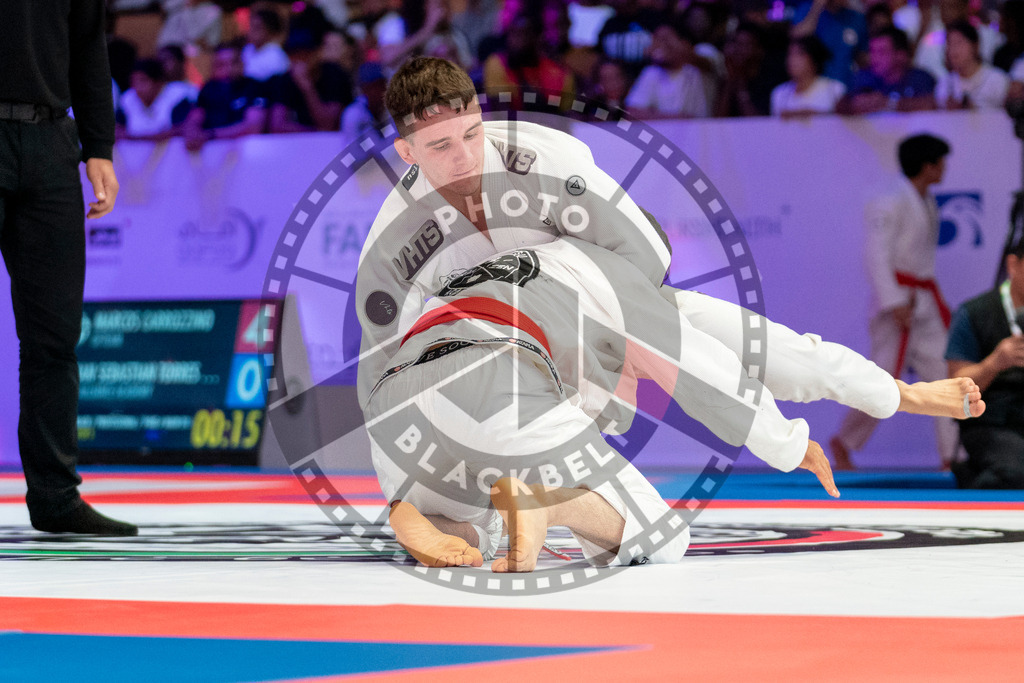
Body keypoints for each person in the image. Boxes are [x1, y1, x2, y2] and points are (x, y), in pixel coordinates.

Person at [357, 58, 982, 484]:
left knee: (775, 350)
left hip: (621, 297)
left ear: (481, 115)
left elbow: (644, 251)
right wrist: (406, 493)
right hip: (520, 366)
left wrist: (617, 331)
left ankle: (905, 394)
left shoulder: (547, 158)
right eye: (440, 146)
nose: (464, 157)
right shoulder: (394, 241)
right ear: (405, 151)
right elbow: (389, 369)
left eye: (471, 133)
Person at [0, 0, 135, 535]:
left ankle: (56, 497)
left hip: (52, 142)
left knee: (54, 335)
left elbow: (87, 47)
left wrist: (98, 145)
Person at [830, 134, 956, 470]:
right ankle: (844, 441)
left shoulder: (925, 200)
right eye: (941, 162)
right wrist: (894, 301)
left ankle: (952, 456)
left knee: (946, 374)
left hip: (924, 302)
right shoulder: (889, 200)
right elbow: (876, 255)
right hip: (898, 303)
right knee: (883, 382)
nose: (945, 168)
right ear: (927, 166)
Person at [945, 236, 1024, 489]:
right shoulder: (974, 313)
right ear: (1013, 265)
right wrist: (994, 363)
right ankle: (973, 478)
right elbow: (955, 386)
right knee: (1015, 473)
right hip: (992, 422)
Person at [182, 43, 268, 151]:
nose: (228, 69)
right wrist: (192, 133)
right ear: (213, 67)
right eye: (221, 65)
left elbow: (253, 126)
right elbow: (194, 119)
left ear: (242, 63)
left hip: (248, 153)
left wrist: (210, 135)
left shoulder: (254, 86)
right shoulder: (208, 89)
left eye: (233, 62)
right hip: (212, 154)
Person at [837, 26, 936, 114]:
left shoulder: (920, 78)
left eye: (881, 52)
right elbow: (840, 106)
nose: (874, 58)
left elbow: (933, 105)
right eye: (872, 51)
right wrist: (853, 105)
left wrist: (888, 103)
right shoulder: (863, 77)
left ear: (901, 55)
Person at [625, 19, 709, 119]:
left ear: (683, 42)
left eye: (665, 39)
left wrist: (675, 51)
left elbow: (709, 65)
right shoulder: (652, 71)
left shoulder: (703, 56)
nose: (660, 45)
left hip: (707, 127)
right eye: (656, 40)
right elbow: (631, 113)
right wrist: (676, 118)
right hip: (665, 128)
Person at [789, 0, 869, 88]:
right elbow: (797, 39)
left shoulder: (857, 18)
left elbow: (862, 57)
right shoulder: (807, 10)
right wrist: (817, 7)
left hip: (846, 85)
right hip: (814, 86)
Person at [934, 20, 1009, 110]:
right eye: (949, 44)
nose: (952, 49)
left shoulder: (997, 80)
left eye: (958, 43)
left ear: (975, 46)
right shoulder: (945, 83)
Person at [115, 58, 195, 141]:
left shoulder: (178, 95)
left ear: (158, 82)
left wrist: (135, 137)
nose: (137, 87)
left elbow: (181, 129)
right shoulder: (128, 98)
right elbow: (118, 129)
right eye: (133, 82)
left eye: (143, 81)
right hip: (135, 149)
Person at [771, 35, 847, 116]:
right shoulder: (780, 93)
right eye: (790, 54)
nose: (792, 59)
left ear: (814, 58)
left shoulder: (834, 89)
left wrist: (810, 115)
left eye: (800, 54)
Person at [340, 62, 389, 145]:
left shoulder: (390, 110)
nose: (380, 91)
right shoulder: (353, 115)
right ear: (363, 89)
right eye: (374, 87)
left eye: (382, 85)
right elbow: (354, 151)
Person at [242, 6, 291, 83]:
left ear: (271, 31)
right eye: (250, 26)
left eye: (257, 28)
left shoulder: (276, 55)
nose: (251, 31)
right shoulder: (247, 49)